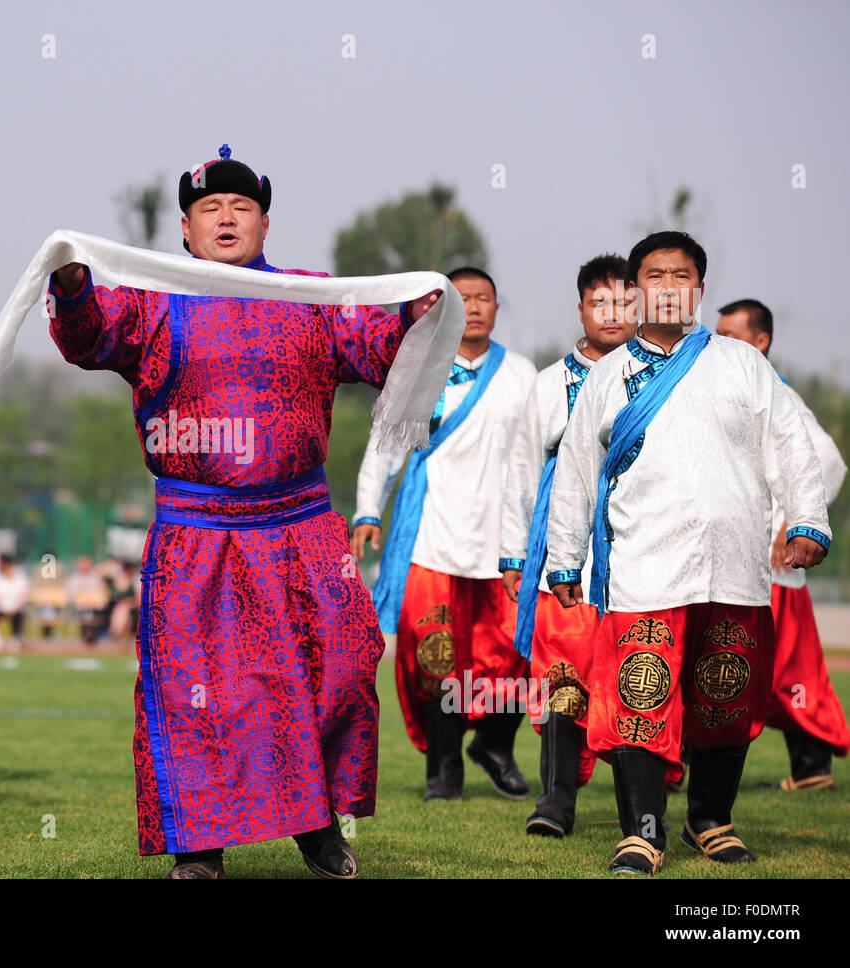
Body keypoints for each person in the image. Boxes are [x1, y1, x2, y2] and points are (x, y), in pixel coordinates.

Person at [47, 144, 454, 878]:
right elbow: (87, 336)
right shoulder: (147, 298)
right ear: (185, 228)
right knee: (196, 692)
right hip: (196, 531)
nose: (226, 218)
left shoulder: (311, 294)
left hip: (301, 523)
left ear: (265, 224)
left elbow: (375, 349)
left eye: (241, 208)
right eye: (210, 209)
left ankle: (318, 824)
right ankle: (199, 848)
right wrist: (74, 286)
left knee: (340, 667)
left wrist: (412, 315)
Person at [546, 231, 831, 874]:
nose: (668, 286)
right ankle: (643, 832)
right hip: (645, 566)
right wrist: (564, 556)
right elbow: (575, 470)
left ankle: (711, 819)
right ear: (634, 289)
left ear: (699, 289)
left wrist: (808, 520)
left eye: (681, 275)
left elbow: (790, 442)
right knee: (639, 698)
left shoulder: (742, 364)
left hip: (734, 567)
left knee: (724, 702)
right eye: (654, 275)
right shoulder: (608, 376)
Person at [353, 268, 537, 802]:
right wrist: (368, 511)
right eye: (464, 299)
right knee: (434, 656)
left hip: (504, 542)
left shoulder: (522, 374)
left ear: (498, 309)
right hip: (431, 537)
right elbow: (385, 447)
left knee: (513, 649)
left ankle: (495, 745)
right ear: (446, 309)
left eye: (484, 298)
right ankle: (443, 771)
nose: (474, 307)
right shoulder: (418, 368)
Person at [499, 254, 637, 836]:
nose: (612, 313)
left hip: (638, 532)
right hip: (564, 538)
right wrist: (513, 553)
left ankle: (643, 798)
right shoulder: (550, 382)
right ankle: (556, 799)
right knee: (562, 664)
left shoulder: (662, 374)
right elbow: (524, 467)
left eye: (624, 301)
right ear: (580, 307)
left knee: (636, 660)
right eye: (599, 301)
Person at [715, 299, 849, 790]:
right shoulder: (730, 386)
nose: (719, 341)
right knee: (766, 668)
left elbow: (829, 461)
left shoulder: (773, 390)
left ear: (760, 341)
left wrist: (793, 524)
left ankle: (811, 763)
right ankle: (809, 765)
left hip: (768, 568)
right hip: (738, 559)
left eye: (730, 334)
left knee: (768, 669)